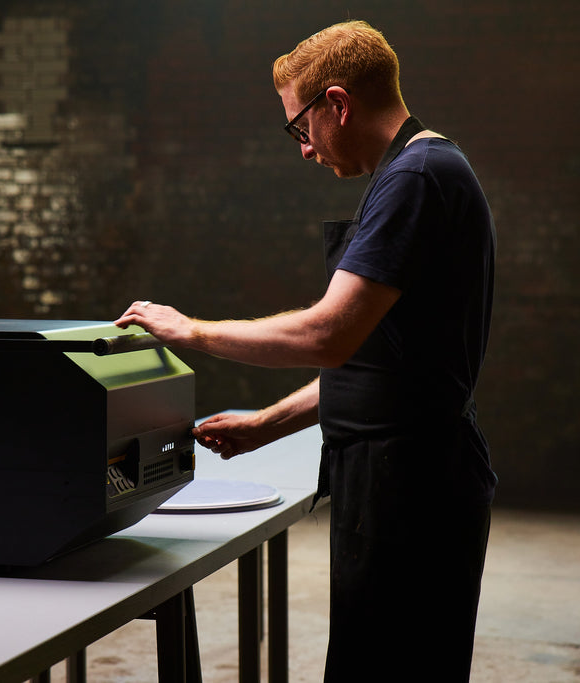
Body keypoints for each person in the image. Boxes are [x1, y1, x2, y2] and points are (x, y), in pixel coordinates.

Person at [116, 20, 497, 682]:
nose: (305, 149)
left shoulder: (417, 177)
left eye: (300, 127)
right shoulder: (419, 169)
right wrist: (267, 424)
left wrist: (191, 330)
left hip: (410, 489)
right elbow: (381, 365)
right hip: (408, 476)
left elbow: (328, 334)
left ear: (338, 104)